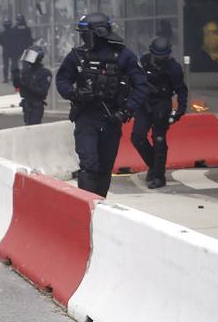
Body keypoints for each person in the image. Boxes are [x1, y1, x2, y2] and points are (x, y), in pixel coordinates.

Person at [55, 13, 148, 197]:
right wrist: (74, 93)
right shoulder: (77, 56)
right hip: (86, 116)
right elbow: (62, 79)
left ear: (98, 32)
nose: (82, 38)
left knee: (105, 167)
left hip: (112, 118)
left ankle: (100, 205)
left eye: (85, 33)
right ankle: (87, 207)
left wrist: (126, 110)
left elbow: (141, 85)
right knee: (89, 164)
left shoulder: (123, 56)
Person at [131, 36, 189, 189]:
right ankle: (154, 167)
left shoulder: (173, 68)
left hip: (162, 104)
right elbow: (134, 81)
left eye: (163, 56)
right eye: (157, 56)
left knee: (159, 139)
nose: (160, 59)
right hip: (144, 103)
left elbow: (181, 91)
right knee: (137, 137)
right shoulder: (143, 61)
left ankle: (158, 176)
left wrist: (178, 111)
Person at [13, 45, 51, 126]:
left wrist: (29, 86)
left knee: (34, 127)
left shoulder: (45, 73)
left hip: (36, 105)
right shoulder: (26, 72)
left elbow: (43, 91)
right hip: (26, 104)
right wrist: (15, 77)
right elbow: (18, 86)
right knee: (27, 126)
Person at [0, 18, 13, 83]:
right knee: (14, 64)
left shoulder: (1, 34)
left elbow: (0, 42)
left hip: (5, 50)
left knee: (6, 65)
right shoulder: (14, 32)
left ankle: (6, 79)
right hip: (13, 50)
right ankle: (13, 77)